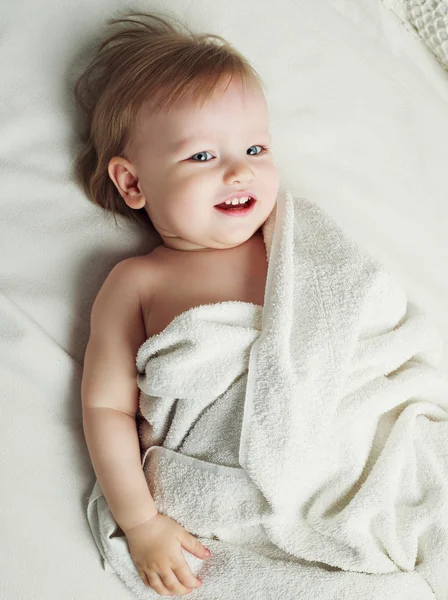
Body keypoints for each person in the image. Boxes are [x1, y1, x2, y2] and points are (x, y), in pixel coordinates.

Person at [75, 10, 279, 597]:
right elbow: (106, 410)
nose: (240, 170)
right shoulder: (136, 282)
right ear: (133, 183)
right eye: (202, 157)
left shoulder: (294, 246)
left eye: (255, 147)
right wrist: (141, 523)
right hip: (224, 473)